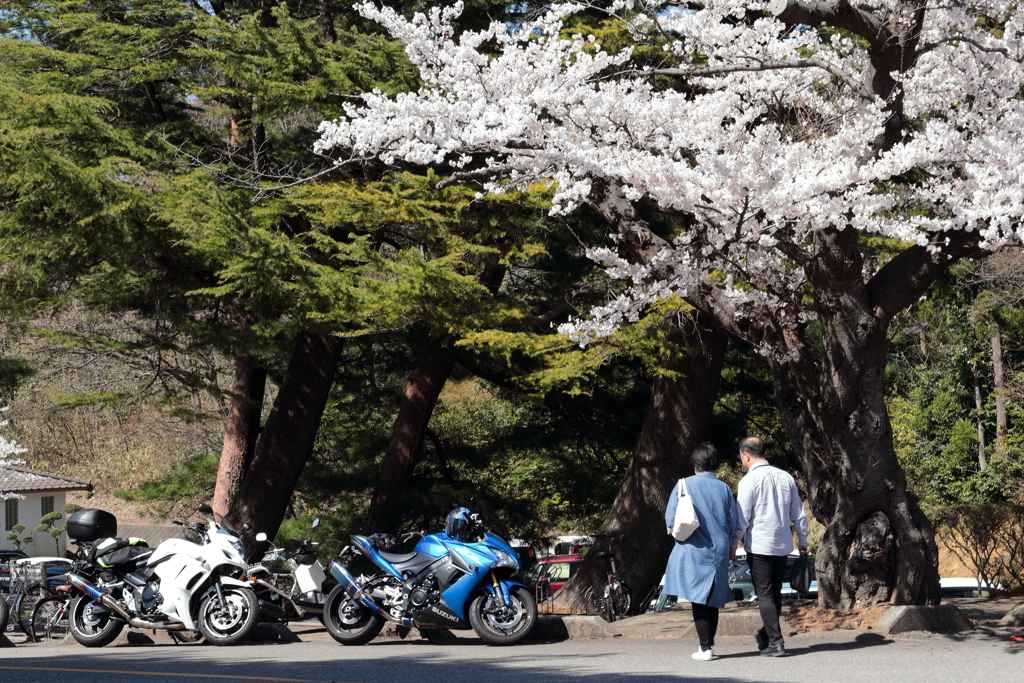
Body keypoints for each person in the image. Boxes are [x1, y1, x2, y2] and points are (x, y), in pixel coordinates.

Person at [731, 436, 809, 658]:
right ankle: (766, 635)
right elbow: (799, 513)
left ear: (746, 455)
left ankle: (776, 642)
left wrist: (732, 543)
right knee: (774, 593)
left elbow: (742, 518)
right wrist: (802, 540)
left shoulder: (748, 481)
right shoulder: (786, 477)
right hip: (783, 544)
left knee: (765, 594)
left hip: (760, 545)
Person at [663, 442, 737, 661]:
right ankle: (708, 646)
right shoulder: (723, 488)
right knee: (712, 599)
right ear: (715, 463)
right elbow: (732, 521)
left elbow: (670, 519)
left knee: (698, 599)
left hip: (693, 549)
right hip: (718, 551)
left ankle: (705, 648)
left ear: (695, 464)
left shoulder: (683, 485)